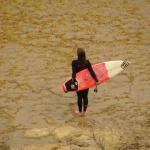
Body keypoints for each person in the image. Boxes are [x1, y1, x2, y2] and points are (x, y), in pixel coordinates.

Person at [71, 48, 98, 116]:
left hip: (79, 82)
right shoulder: (87, 62)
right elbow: (92, 72)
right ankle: (84, 112)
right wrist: (96, 80)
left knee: (79, 97)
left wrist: (73, 83)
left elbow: (74, 74)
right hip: (86, 82)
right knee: (85, 96)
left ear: (78, 55)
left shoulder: (74, 63)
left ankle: (80, 112)